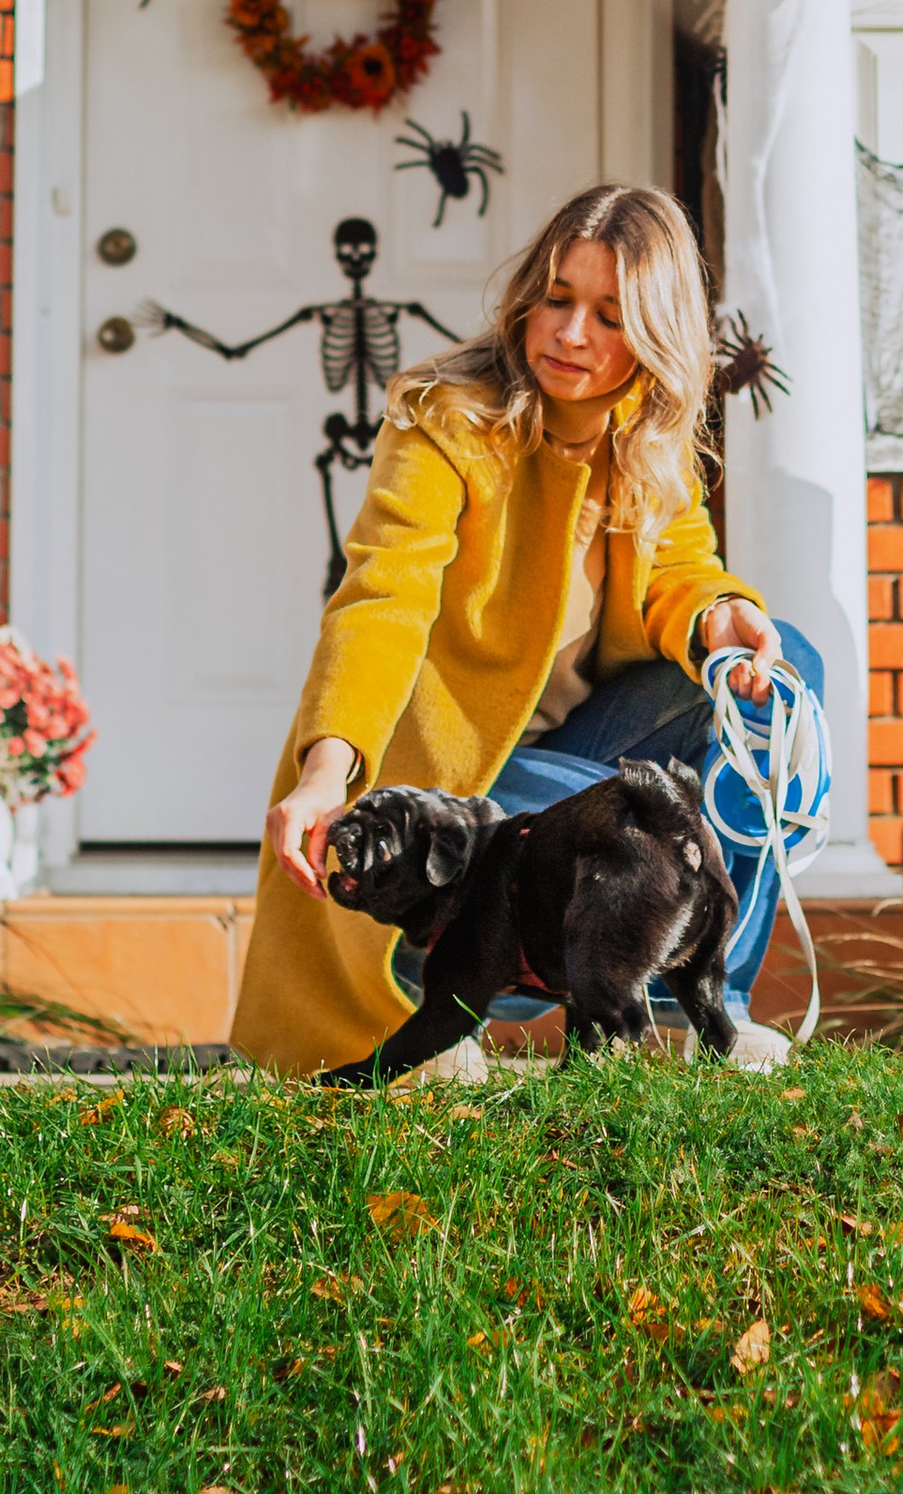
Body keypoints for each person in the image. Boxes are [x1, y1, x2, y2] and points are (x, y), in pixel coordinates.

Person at [229, 181, 812, 1076]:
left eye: (610, 316)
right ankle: (447, 994)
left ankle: (706, 1005)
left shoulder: (650, 440)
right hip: (452, 785)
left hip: (569, 754)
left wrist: (720, 620)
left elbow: (681, 572)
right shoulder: (446, 419)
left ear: (655, 336)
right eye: (558, 299)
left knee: (781, 669)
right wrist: (325, 771)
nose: (571, 333)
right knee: (639, 824)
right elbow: (382, 600)